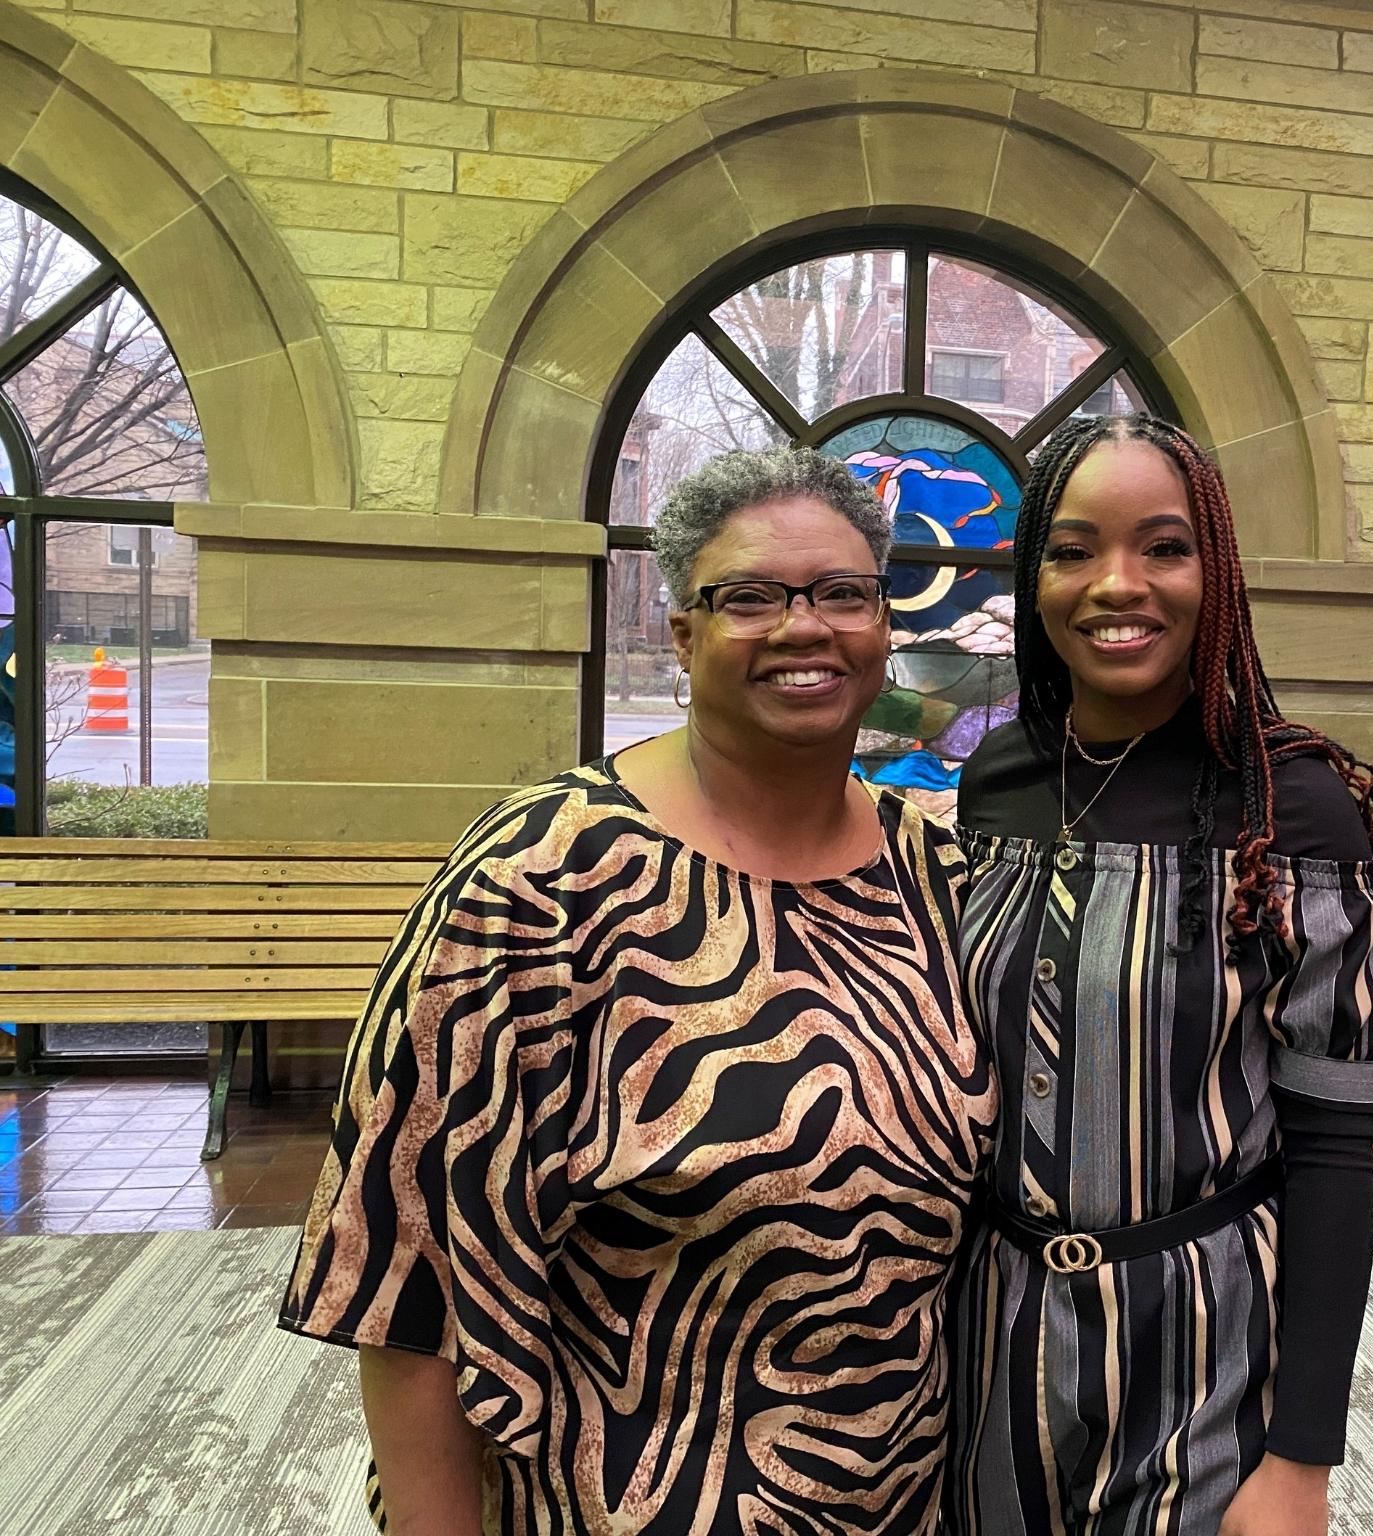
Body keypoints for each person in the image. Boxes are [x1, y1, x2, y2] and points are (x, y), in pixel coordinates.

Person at [280, 448, 996, 1536]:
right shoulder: (540, 879)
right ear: (682, 634)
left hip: (901, 1497)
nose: (803, 626)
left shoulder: (937, 873)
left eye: (841, 593)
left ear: (883, 625)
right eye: (749, 597)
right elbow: (408, 1275)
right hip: (619, 1499)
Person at [947, 415, 1373, 1536]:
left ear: (1218, 575)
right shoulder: (999, 779)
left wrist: (1301, 1459)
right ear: (1033, 580)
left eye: (1163, 547)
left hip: (1201, 1366)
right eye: (1073, 551)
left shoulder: (1294, 811)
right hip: (989, 1353)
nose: (1118, 585)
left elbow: (1332, 1153)